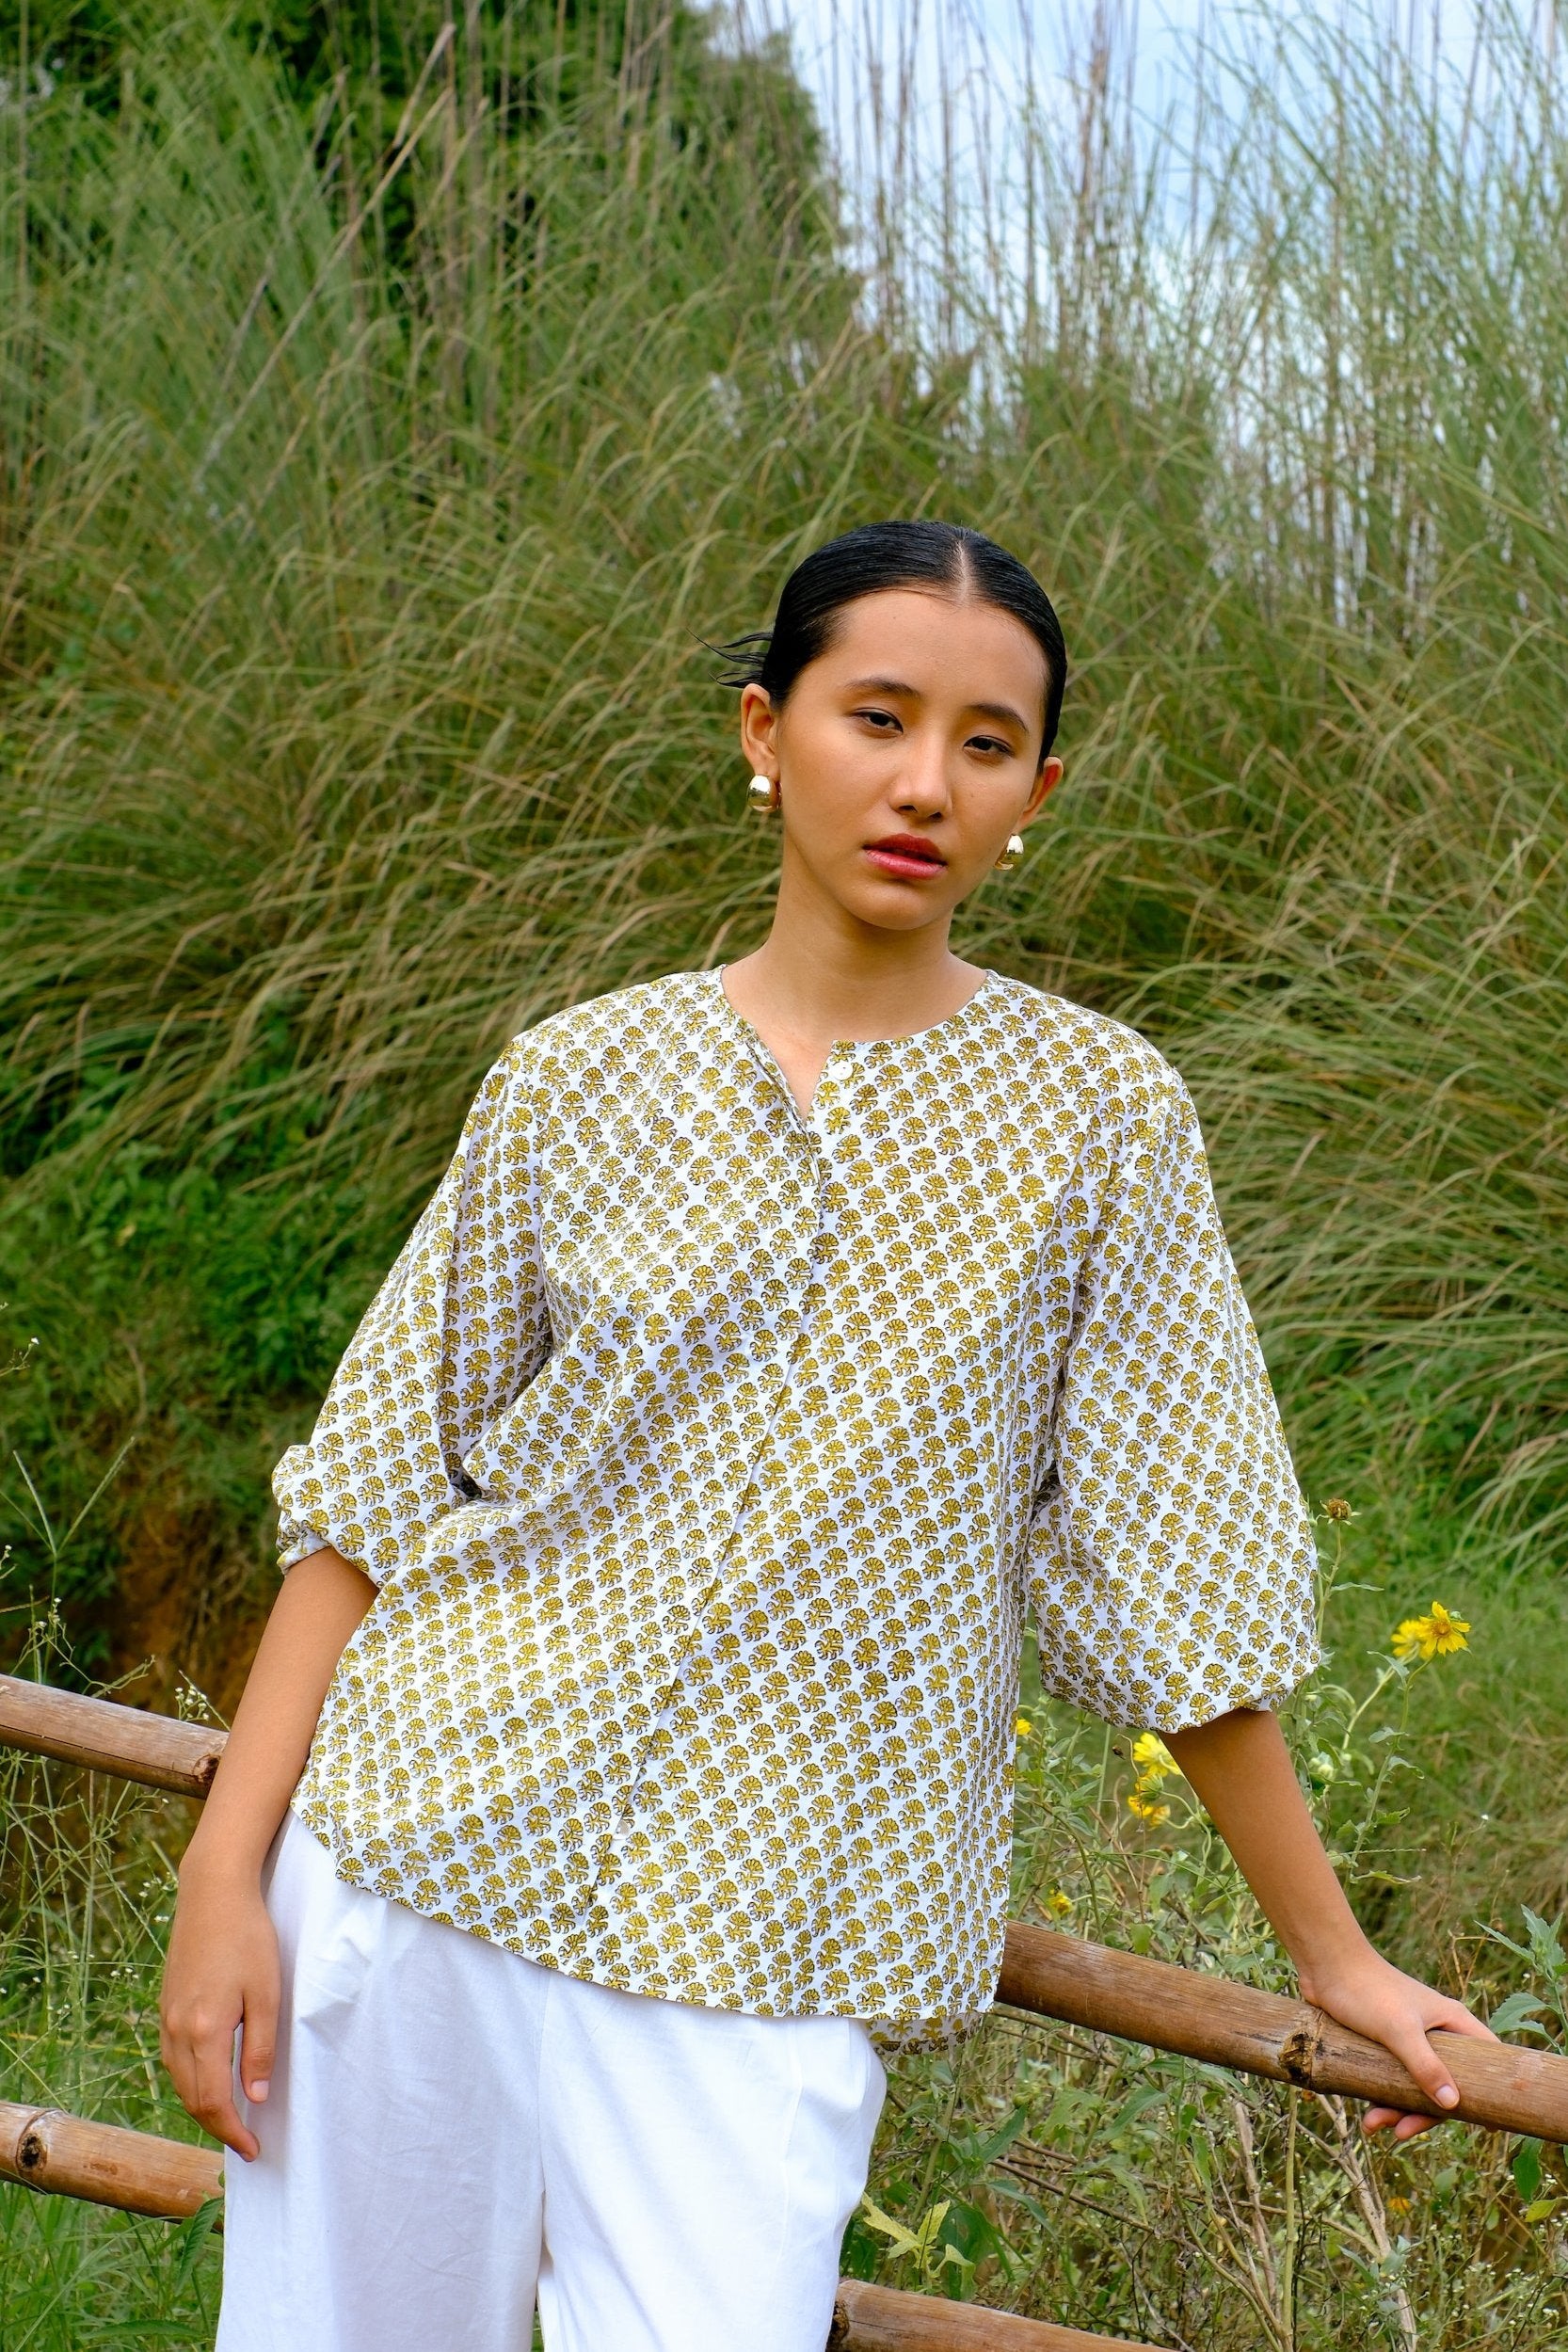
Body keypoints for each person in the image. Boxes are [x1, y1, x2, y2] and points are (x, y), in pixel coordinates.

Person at [161, 520, 1494, 2352]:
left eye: (981, 738)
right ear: (764, 730)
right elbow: (374, 1496)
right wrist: (225, 1875)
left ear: (1035, 786)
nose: (920, 778)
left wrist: (1330, 1953)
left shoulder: (1097, 1119)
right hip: (417, 1872)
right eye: (874, 713)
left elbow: (1172, 1581)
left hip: (774, 1942)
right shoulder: (578, 1073)